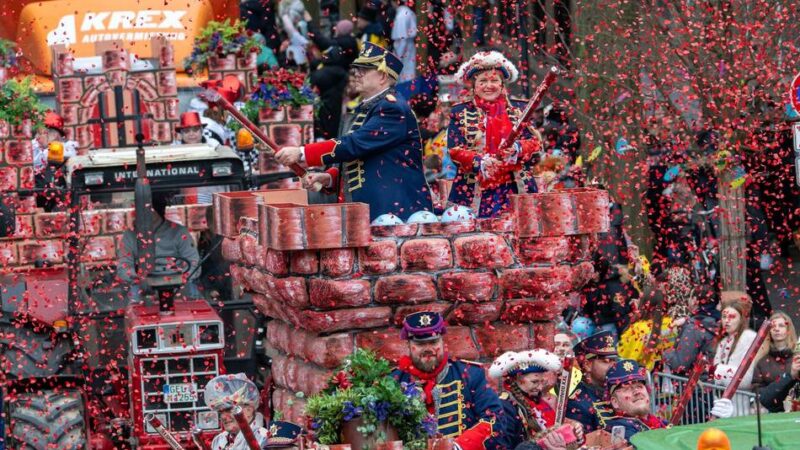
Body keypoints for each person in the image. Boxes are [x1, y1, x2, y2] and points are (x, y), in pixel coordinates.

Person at [275, 43, 432, 221]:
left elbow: (355, 144)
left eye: (364, 70)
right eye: (357, 69)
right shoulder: (369, 108)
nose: (357, 73)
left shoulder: (391, 107)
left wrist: (302, 153)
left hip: (395, 212)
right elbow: (361, 159)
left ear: (382, 76)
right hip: (373, 212)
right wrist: (330, 178)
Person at [390, 311, 509, 449]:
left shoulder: (471, 375)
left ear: (442, 342)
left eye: (434, 342)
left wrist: (458, 446)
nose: (428, 349)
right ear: (408, 346)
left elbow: (495, 419)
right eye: (421, 344)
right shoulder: (393, 382)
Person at [446, 50, 542, 218]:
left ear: (502, 85)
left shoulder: (520, 109)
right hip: (474, 190)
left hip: (515, 188)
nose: (488, 86)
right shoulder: (460, 111)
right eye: (482, 81)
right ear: (474, 86)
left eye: (494, 80)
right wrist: (481, 161)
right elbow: (454, 150)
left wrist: (518, 148)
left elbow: (535, 144)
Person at [489, 350, 584, 449]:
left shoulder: (540, 402)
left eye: (542, 382)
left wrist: (573, 429)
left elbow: (555, 426)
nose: (539, 388)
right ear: (517, 378)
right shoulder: (506, 407)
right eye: (534, 382)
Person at [116, 191, 201, 301]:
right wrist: (139, 278)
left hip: (177, 282)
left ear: (157, 212)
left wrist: (179, 279)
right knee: (134, 298)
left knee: (193, 294)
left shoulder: (179, 232)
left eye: (146, 210)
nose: (140, 214)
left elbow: (194, 264)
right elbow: (123, 267)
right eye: (139, 210)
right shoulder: (129, 235)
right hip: (143, 284)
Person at [708, 295, 759, 419]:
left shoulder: (749, 337)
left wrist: (717, 370)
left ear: (741, 319)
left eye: (732, 317)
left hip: (743, 408)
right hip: (723, 407)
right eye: (724, 317)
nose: (727, 320)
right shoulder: (723, 342)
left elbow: (746, 378)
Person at [602, 359, 668, 443]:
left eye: (639, 386)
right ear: (615, 402)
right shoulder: (620, 430)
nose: (637, 392)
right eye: (627, 389)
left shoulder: (661, 422)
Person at [565, 331, 618, 433]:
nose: (613, 366)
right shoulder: (577, 403)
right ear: (587, 365)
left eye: (614, 360)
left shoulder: (615, 390)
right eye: (606, 361)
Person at [204, 373, 269, 449]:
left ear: (249, 410)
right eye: (220, 412)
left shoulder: (264, 438)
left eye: (229, 410)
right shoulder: (219, 440)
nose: (223, 416)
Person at [391, 0, 417, 83]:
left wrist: (398, 58)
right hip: (408, 47)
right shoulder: (408, 12)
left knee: (405, 74)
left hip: (404, 49)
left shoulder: (402, 15)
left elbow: (402, 38)